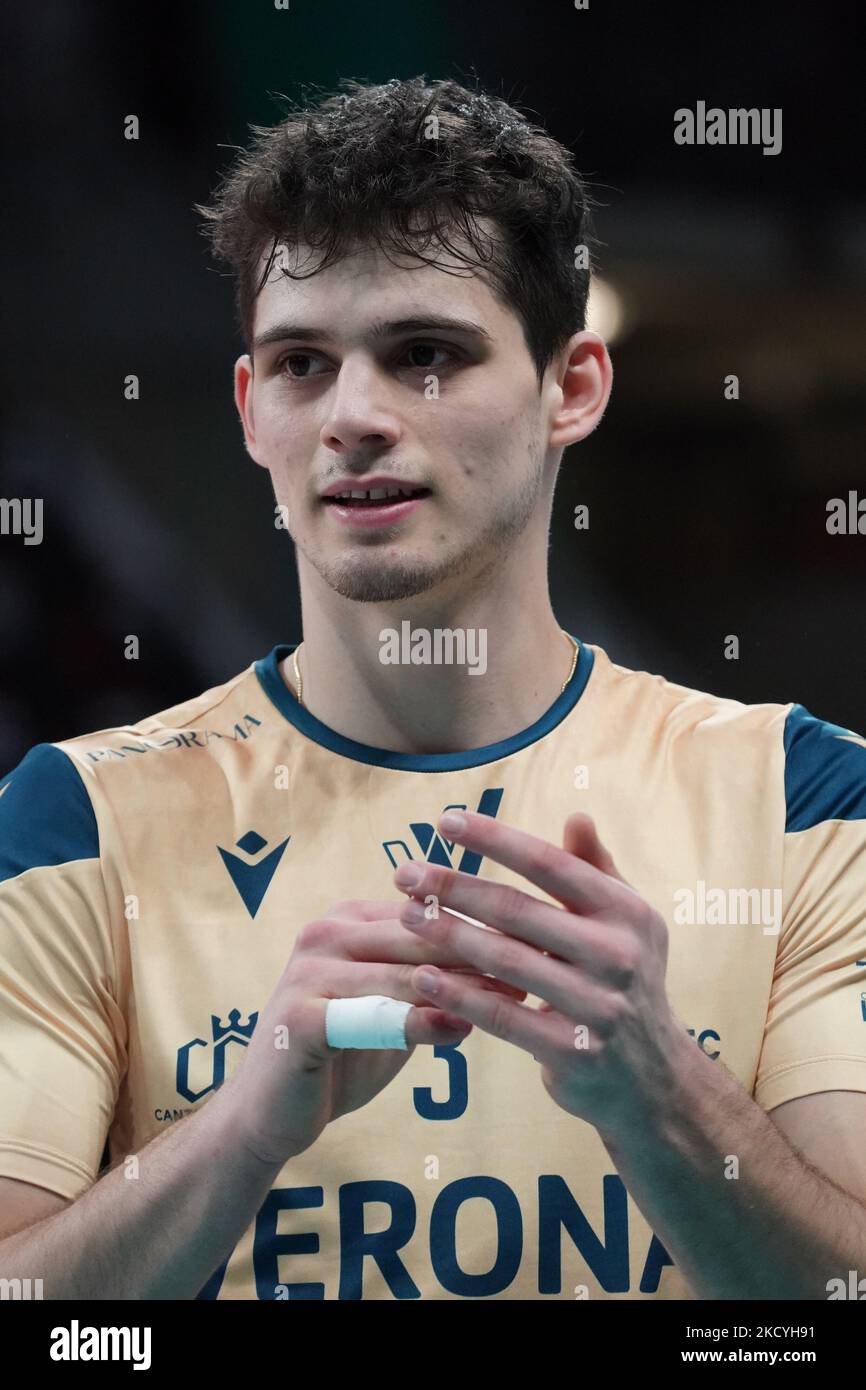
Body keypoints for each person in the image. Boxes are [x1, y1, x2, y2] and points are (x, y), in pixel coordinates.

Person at [1, 76, 865, 1302]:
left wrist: (659, 1090)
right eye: (302, 362)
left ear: (570, 387)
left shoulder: (802, 797)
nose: (353, 416)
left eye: (422, 354)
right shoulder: (73, 819)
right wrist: (240, 1127)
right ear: (252, 413)